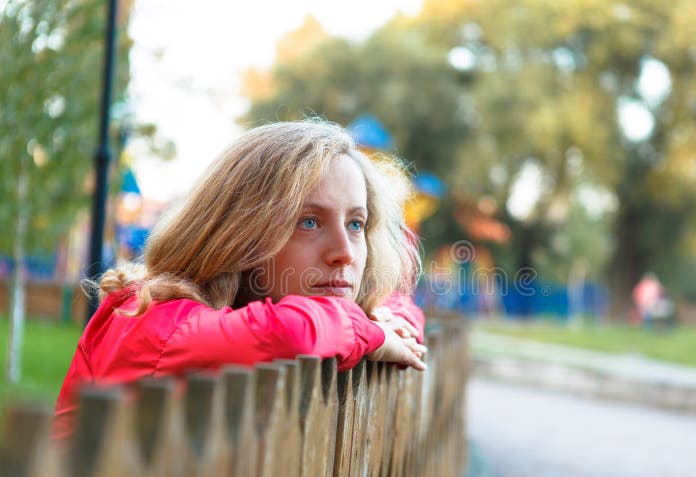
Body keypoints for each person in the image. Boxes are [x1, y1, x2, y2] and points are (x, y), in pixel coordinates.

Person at [53, 121, 427, 438]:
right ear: (241, 234)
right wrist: (373, 334)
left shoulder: (250, 316)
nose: (344, 251)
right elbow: (290, 332)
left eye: (356, 224)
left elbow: (396, 305)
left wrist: (388, 323)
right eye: (308, 222)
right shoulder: (152, 319)